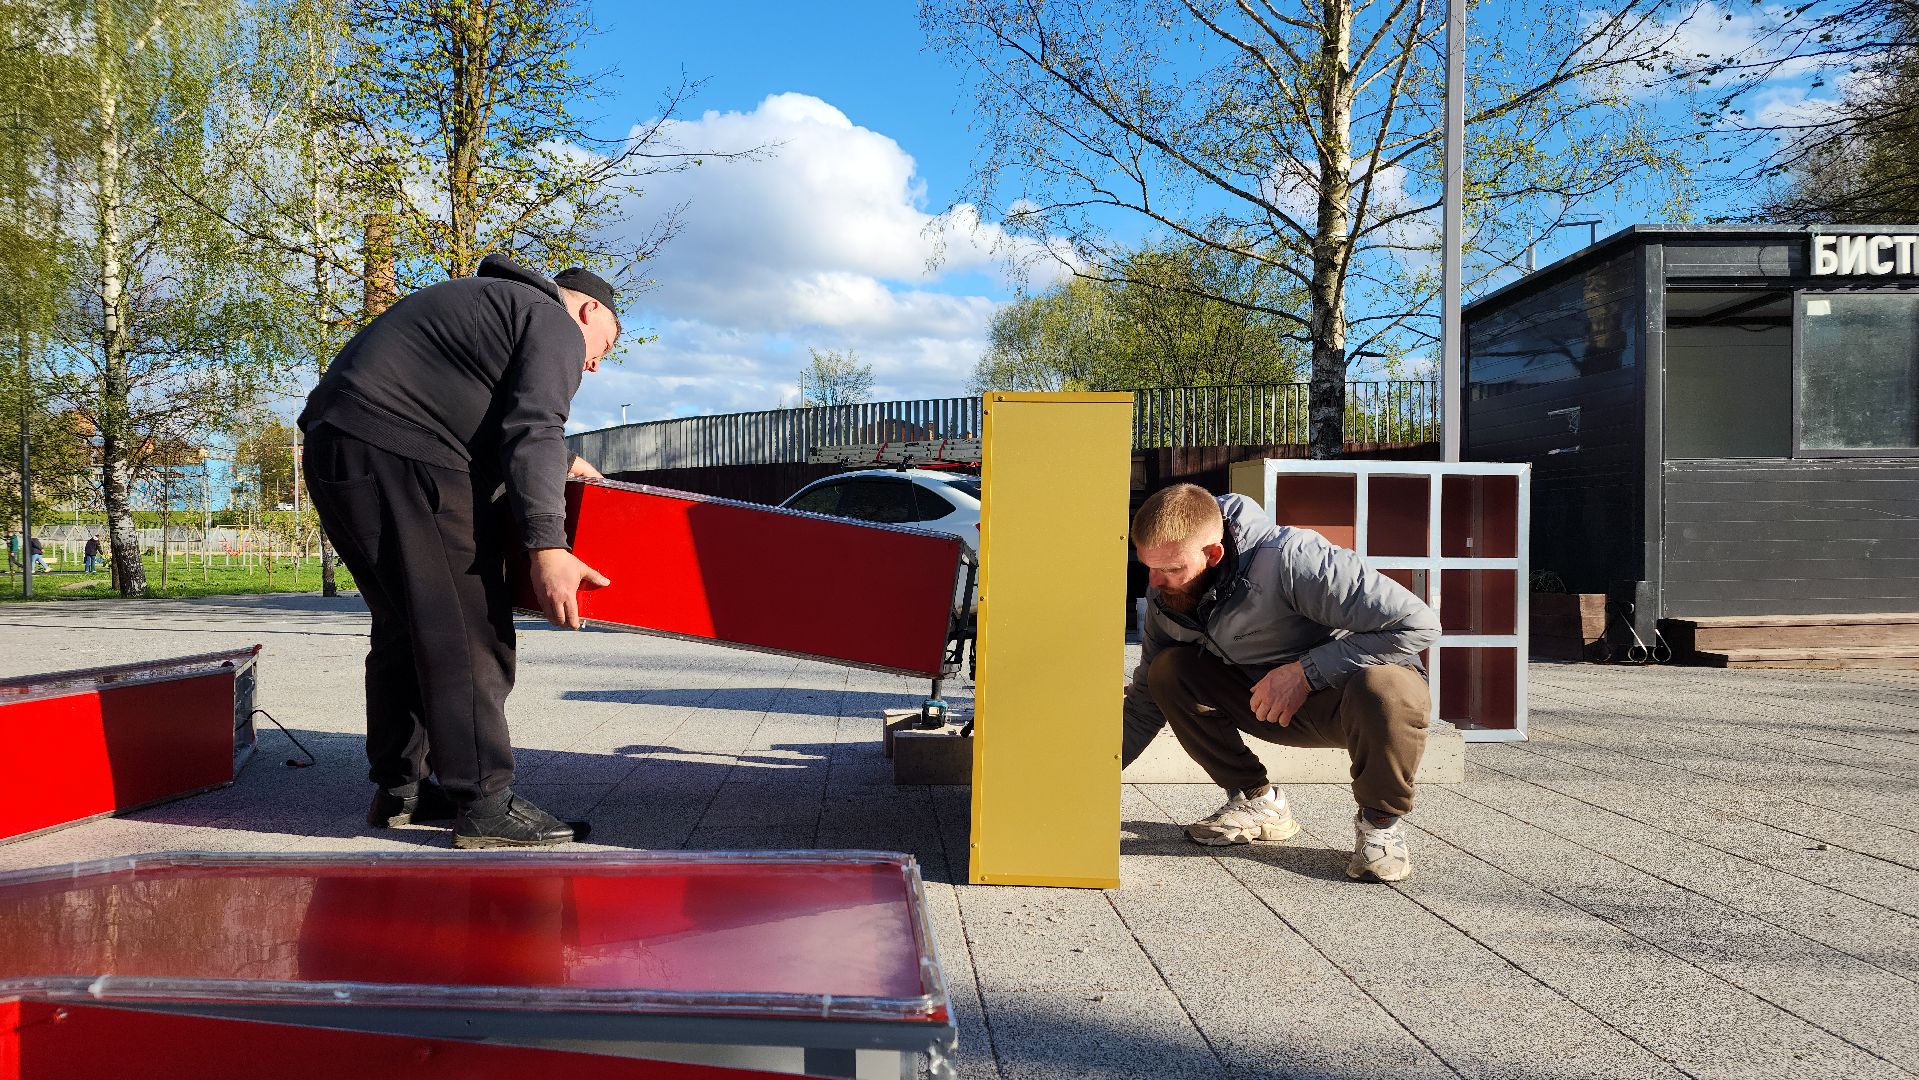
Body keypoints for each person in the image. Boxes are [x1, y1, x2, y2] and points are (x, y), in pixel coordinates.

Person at [299, 253, 617, 849]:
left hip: (336, 449)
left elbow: (493, 422)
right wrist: (547, 545)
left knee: (406, 623)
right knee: (468, 629)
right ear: (588, 308)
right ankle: (485, 803)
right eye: (605, 345)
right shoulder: (549, 319)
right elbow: (535, 428)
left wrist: (560, 463)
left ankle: (403, 789)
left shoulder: (484, 304)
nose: (595, 363)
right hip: (402, 456)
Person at [1121, 483, 1440, 882]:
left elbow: (1419, 624)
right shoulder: (1166, 596)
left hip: (1349, 701)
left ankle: (1380, 825)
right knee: (1167, 670)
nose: (1155, 582)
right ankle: (1259, 803)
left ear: (1213, 553)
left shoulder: (1294, 559)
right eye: (1148, 566)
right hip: (1266, 702)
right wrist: (1085, 781)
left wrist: (1306, 672)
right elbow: (1145, 702)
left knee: (1391, 688)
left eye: (1171, 569)